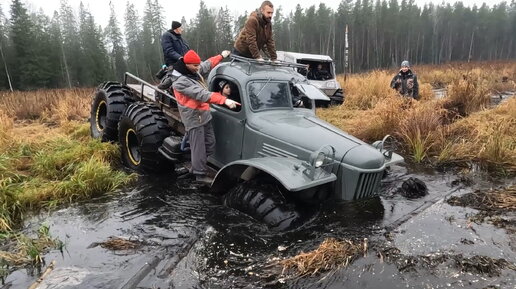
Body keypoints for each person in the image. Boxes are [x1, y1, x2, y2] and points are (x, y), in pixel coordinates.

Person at [172, 50, 240, 184]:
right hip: (193, 117)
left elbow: (207, 64)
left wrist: (221, 56)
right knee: (198, 147)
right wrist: (224, 100)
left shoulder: (193, 70)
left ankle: (196, 165)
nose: (198, 68)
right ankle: (199, 174)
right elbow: (201, 94)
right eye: (195, 66)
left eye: (198, 65)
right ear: (187, 64)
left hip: (204, 114)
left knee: (209, 143)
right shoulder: (180, 82)